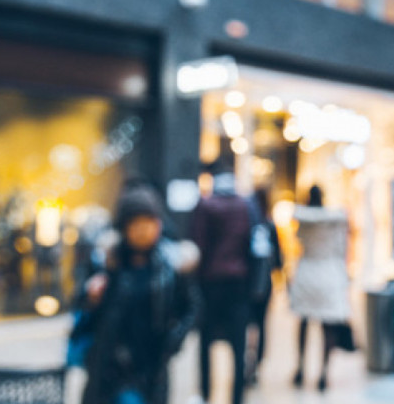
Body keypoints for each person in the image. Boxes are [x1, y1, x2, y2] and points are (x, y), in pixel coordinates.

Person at [78, 187, 200, 404]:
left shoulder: (170, 267)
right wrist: (91, 298)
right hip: (108, 368)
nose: (143, 230)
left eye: (149, 223)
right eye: (136, 224)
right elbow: (82, 308)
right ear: (124, 227)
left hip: (152, 368)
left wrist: (173, 342)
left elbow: (192, 307)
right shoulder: (108, 264)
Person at [192, 161, 257, 404]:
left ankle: (206, 394)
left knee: (205, 342)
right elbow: (254, 246)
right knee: (238, 345)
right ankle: (237, 397)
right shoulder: (245, 206)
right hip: (238, 284)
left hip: (211, 283)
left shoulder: (206, 205)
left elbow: (198, 244)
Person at [290, 186, 351, 392]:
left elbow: (298, 239)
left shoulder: (304, 220)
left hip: (307, 272)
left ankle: (300, 367)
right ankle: (324, 373)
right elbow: (340, 248)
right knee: (328, 327)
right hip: (328, 274)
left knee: (304, 323)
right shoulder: (333, 221)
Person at [246, 188, 283, 385]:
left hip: (247, 282)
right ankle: (256, 364)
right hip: (264, 283)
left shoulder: (247, 224)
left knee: (247, 324)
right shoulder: (269, 225)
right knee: (261, 324)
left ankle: (246, 361)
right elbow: (278, 260)